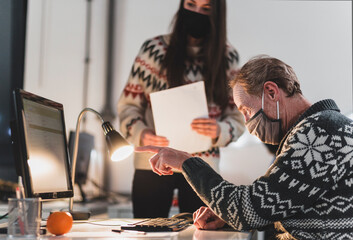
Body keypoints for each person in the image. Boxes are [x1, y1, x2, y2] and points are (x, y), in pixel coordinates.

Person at [136, 56, 353, 240]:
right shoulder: (325, 126)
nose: (248, 124)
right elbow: (282, 207)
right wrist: (226, 214)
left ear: (271, 92)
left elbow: (248, 210)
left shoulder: (316, 134)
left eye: (246, 110)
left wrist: (186, 162)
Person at [117, 0, 245, 218]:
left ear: (216, 14)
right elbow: (128, 106)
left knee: (200, 230)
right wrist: (143, 134)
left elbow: (239, 116)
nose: (196, 12)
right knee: (147, 231)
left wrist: (219, 130)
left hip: (203, 167)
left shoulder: (228, 57)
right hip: (153, 162)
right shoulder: (153, 50)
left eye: (206, 9)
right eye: (191, 4)